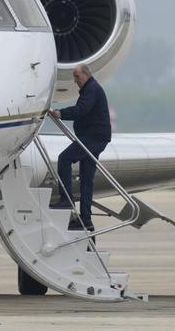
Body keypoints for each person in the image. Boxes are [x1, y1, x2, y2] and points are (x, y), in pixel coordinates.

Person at [50, 64, 111, 231]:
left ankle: (66, 200)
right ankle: (86, 219)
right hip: (97, 137)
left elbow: (82, 110)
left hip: (93, 137)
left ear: (86, 74)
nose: (75, 80)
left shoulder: (92, 89)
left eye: (77, 76)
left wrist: (61, 113)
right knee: (86, 179)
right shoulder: (91, 89)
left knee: (64, 159)